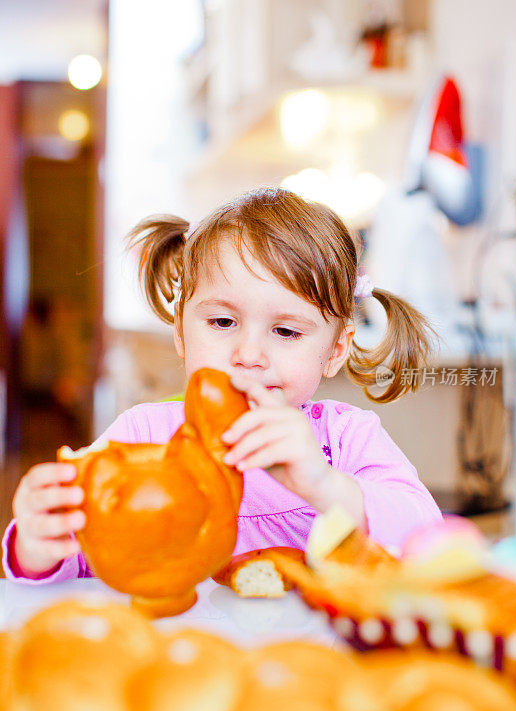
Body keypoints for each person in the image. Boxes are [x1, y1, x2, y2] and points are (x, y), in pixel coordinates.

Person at [3, 187, 442, 583]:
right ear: (180, 331)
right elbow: (80, 560)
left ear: (335, 350)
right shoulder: (142, 437)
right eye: (223, 322)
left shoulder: (345, 441)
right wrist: (37, 546)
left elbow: (426, 539)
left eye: (286, 331)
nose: (248, 354)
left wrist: (324, 484)